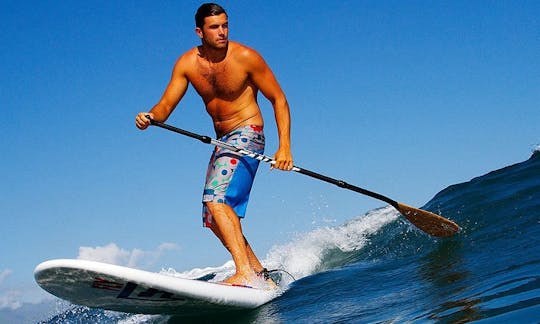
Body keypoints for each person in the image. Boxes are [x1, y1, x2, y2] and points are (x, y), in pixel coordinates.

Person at [135, 3, 293, 286]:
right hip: (223, 141)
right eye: (214, 27)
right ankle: (259, 273)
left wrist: (285, 148)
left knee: (217, 200)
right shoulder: (187, 64)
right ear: (199, 32)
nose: (222, 32)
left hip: (248, 132)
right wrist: (151, 116)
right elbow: (166, 104)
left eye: (225, 25)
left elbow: (278, 98)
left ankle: (244, 273)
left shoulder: (246, 57)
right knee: (213, 216)